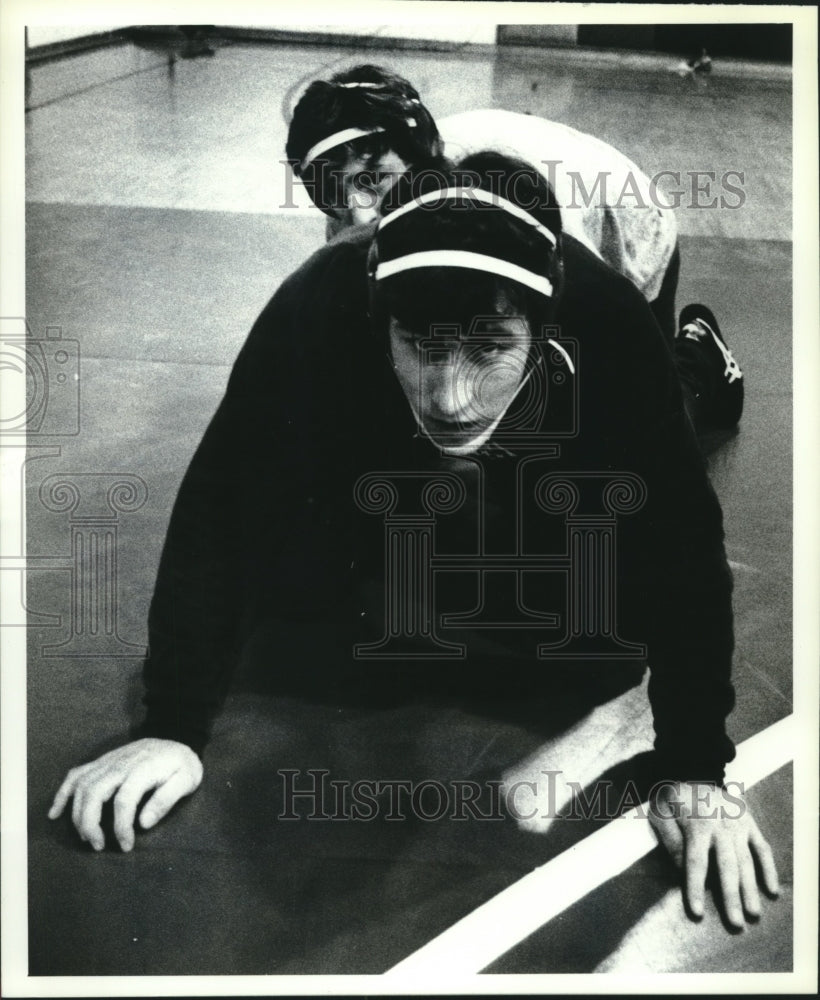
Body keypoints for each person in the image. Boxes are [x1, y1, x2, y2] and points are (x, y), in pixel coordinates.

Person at [50, 153, 775, 932]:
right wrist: (172, 725)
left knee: (602, 634)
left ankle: (698, 358)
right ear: (378, 317)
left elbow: (682, 550)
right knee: (310, 586)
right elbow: (222, 513)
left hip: (583, 398)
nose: (452, 395)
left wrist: (696, 765)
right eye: (421, 344)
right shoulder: (314, 308)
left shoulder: (609, 327)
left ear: (545, 326)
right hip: (382, 416)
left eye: (489, 346)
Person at [286, 63, 681, 342]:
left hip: (631, 226)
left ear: (421, 153)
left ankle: (702, 356)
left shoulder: (504, 189)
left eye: (374, 179)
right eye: (333, 196)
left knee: (623, 406)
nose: (358, 212)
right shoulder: (357, 205)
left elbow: (601, 297)